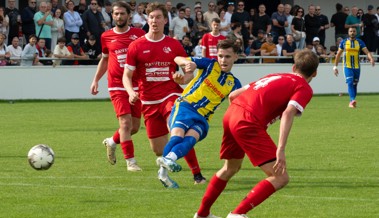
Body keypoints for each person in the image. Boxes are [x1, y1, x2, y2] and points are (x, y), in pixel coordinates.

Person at [194, 49, 319, 218]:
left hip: (232, 114)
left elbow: (233, 95)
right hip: (247, 121)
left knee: (230, 168)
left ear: (293, 67)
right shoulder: (303, 87)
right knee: (280, 177)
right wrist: (280, 149)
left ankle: (202, 214)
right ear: (315, 73)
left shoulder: (275, 75)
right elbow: (289, 113)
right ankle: (237, 214)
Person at [122, 2, 205, 186]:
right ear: (147, 19)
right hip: (148, 102)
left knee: (179, 131)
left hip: (171, 97)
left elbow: (188, 71)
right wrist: (130, 92)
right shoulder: (136, 46)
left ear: (165, 20)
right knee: (158, 150)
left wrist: (182, 79)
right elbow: (126, 76)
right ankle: (168, 161)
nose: (154, 21)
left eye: (158, 17)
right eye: (151, 17)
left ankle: (197, 175)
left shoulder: (173, 45)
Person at [156, 39, 242, 188]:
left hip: (203, 118)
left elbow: (238, 104)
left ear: (236, 57)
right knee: (177, 136)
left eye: (227, 56)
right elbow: (177, 58)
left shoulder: (235, 83)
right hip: (185, 106)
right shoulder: (209, 64)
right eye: (220, 56)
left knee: (189, 141)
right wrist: (188, 64)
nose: (223, 60)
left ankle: (166, 166)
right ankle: (165, 169)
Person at [90, 1, 145, 171]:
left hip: (136, 85)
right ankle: (131, 162)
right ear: (112, 15)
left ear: (129, 15)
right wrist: (96, 79)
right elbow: (105, 59)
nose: (119, 17)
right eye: (116, 14)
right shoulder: (106, 36)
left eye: (122, 13)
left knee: (134, 127)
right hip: (116, 84)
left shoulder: (139, 34)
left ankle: (112, 141)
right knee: (125, 124)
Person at [333, 27, 375, 108]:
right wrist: (335, 67)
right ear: (348, 32)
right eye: (351, 31)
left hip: (357, 67)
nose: (352, 32)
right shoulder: (344, 42)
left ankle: (352, 101)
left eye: (354, 31)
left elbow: (367, 52)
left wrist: (371, 58)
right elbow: (338, 54)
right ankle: (352, 100)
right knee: (350, 82)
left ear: (356, 32)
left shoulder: (360, 42)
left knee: (355, 84)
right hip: (347, 66)